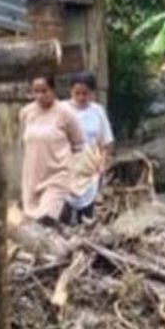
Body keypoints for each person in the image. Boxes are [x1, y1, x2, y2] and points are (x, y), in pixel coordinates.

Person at [19, 75, 84, 226]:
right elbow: (24, 143)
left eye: (44, 91)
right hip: (33, 175)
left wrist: (73, 171)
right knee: (32, 220)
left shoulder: (65, 113)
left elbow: (78, 144)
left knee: (47, 216)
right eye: (35, 92)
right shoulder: (26, 112)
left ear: (53, 90)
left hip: (57, 174)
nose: (40, 96)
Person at [64, 71, 115, 224]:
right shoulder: (62, 110)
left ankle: (84, 242)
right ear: (70, 91)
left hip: (90, 168)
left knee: (86, 215)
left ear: (92, 93)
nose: (81, 97)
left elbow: (105, 141)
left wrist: (103, 164)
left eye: (85, 93)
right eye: (77, 93)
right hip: (66, 166)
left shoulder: (97, 111)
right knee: (62, 213)